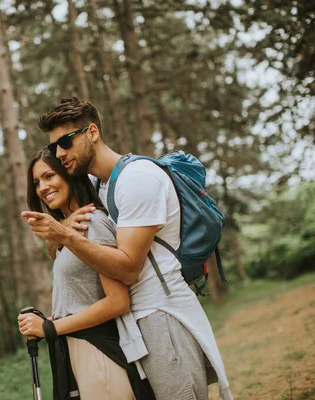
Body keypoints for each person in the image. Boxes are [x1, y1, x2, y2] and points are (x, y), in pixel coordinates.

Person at [21, 97, 233, 400]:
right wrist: (61, 232)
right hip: (138, 322)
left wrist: (65, 236)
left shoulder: (137, 179)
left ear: (92, 132)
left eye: (66, 141)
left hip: (162, 315)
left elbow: (128, 267)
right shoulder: (104, 185)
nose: (60, 153)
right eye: (55, 146)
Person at [18, 148, 154, 400]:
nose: (42, 187)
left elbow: (117, 302)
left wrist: (50, 327)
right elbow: (84, 298)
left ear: (68, 175)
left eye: (49, 176)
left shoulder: (92, 222)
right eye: (37, 182)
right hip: (78, 352)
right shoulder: (70, 232)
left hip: (98, 353)